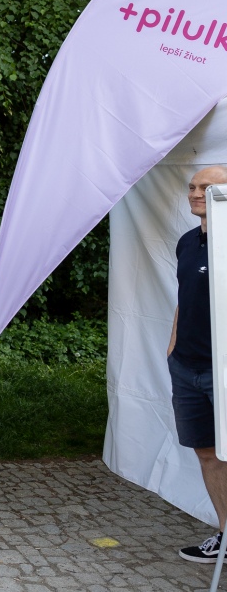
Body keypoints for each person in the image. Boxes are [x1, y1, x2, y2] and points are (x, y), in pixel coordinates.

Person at [168, 165, 227, 563]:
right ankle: (225, 534)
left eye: (205, 187)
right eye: (191, 186)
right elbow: (184, 296)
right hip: (186, 368)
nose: (194, 192)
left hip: (222, 372)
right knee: (207, 453)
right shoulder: (187, 242)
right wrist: (172, 346)